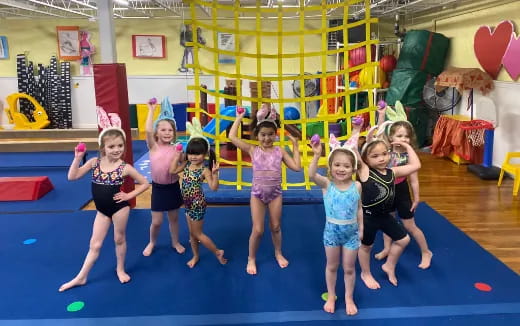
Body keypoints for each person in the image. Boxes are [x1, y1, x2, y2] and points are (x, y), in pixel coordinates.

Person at [59, 125, 150, 292]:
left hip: (119, 209)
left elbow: (144, 183)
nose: (117, 150)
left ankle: (120, 269)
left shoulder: (125, 168)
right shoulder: (94, 163)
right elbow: (72, 177)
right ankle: (81, 277)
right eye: (112, 146)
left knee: (119, 239)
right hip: (101, 211)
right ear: (103, 148)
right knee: (95, 245)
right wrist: (78, 157)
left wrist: (129, 196)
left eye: (120, 146)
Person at [229, 104, 301, 275]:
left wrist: (296, 147)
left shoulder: (280, 151)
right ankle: (251, 258)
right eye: (263, 135)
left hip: (275, 194)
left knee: (276, 226)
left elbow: (297, 167)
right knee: (258, 229)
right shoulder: (253, 150)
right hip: (258, 195)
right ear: (257, 135)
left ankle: (278, 252)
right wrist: (239, 118)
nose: (267, 138)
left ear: (275, 135)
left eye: (270, 134)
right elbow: (232, 136)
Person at [356, 132, 421, 289]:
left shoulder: (393, 172)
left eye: (384, 154)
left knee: (403, 240)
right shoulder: (364, 172)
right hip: (368, 218)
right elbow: (355, 151)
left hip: (384, 216)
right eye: (375, 156)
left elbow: (416, 165)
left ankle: (389, 265)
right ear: (366, 159)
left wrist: (406, 146)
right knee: (366, 247)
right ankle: (365, 273)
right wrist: (357, 129)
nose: (381, 158)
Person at [308, 133, 363, 315]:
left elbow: (359, 209)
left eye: (346, 166)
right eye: (337, 165)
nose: (341, 169)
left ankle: (348, 297)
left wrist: (362, 229)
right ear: (330, 167)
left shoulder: (357, 186)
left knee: (349, 268)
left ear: (353, 168)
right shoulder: (327, 185)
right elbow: (310, 175)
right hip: (331, 233)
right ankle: (331, 295)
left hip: (351, 234)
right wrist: (317, 155)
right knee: (332, 266)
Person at [373, 118, 433, 269]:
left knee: (410, 225)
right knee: (389, 221)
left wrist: (416, 197)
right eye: (399, 136)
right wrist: (381, 115)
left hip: (401, 191)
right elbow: (379, 133)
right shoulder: (386, 151)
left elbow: (413, 179)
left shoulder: (408, 155)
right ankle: (387, 248)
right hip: (387, 190)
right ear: (391, 137)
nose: (404, 139)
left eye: (406, 136)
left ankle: (426, 252)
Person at [170, 118, 227, 268]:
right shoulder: (187, 164)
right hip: (188, 203)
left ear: (205, 154)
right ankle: (195, 256)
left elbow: (214, 188)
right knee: (191, 233)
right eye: (190, 153)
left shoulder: (204, 170)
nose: (193, 156)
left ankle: (217, 251)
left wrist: (215, 174)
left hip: (197, 204)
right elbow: (172, 170)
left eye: (197, 154)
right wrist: (178, 155)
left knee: (197, 234)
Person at [142, 98, 185, 257]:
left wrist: (182, 161)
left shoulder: (177, 149)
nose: (167, 133)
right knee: (157, 221)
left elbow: (183, 165)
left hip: (173, 187)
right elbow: (147, 131)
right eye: (163, 130)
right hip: (158, 188)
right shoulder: (153, 147)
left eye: (170, 130)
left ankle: (175, 242)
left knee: (174, 218)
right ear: (156, 132)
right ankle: (152, 242)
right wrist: (151, 110)